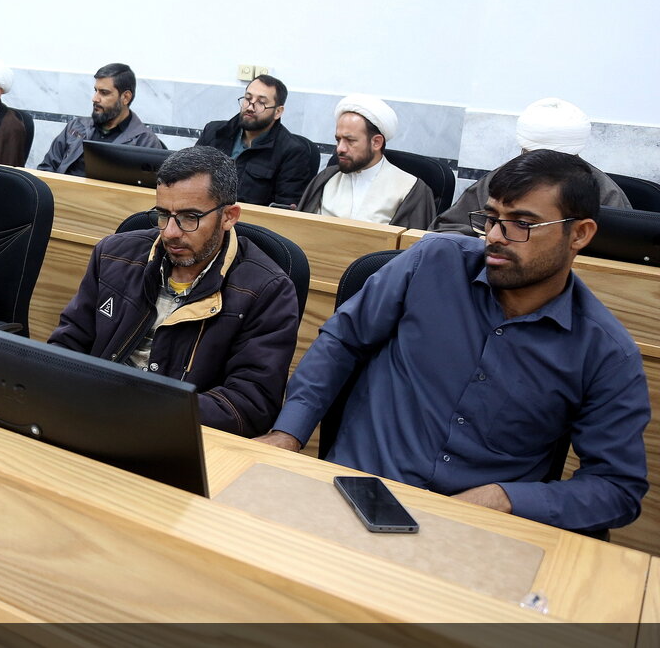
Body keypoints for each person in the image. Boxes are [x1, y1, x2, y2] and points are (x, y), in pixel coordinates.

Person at [260, 150, 649, 533]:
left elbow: (617, 488)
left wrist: (504, 497)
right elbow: (342, 341)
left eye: (521, 224)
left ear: (579, 234)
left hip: (474, 528)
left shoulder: (605, 352)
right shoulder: (433, 262)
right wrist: (288, 433)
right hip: (354, 490)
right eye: (491, 218)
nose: (494, 237)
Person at [48, 145, 300, 435]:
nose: (170, 232)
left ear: (229, 216)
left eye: (189, 217)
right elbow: (66, 345)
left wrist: (144, 408)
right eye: (163, 214)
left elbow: (249, 404)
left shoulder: (268, 290)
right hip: (91, 416)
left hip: (181, 433)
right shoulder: (113, 255)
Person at [433, 98, 630, 234]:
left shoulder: (605, 192)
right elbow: (447, 230)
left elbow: (620, 254)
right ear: (524, 149)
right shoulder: (497, 179)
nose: (544, 167)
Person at [297, 94, 435, 228]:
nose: (340, 148)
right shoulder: (327, 178)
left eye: (350, 141)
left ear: (376, 142)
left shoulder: (409, 189)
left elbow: (410, 242)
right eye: (338, 140)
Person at [196, 74, 316, 208]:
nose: (250, 107)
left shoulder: (293, 152)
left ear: (278, 112)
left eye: (261, 103)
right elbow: (188, 177)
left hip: (248, 220)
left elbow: (284, 210)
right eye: (248, 99)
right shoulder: (214, 132)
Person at [37, 63, 165, 176]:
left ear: (125, 97)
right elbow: (45, 169)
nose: (95, 98)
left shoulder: (144, 142)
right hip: (62, 194)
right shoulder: (76, 126)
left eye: (104, 93)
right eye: (95, 91)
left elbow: (148, 191)